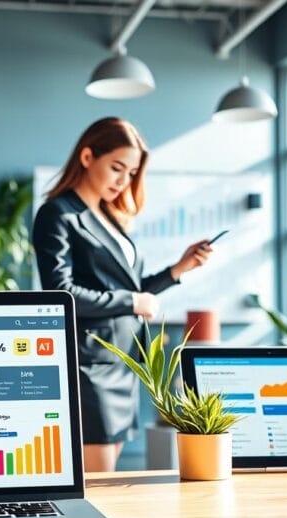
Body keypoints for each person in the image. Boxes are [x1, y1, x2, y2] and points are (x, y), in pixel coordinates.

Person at [32, 117, 213, 472]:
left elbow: (128, 287)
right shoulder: (58, 214)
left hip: (123, 365)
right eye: (117, 168)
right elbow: (60, 293)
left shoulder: (108, 216)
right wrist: (133, 302)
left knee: (106, 479)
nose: (123, 180)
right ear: (87, 157)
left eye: (130, 173)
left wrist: (179, 268)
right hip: (91, 367)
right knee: (101, 484)